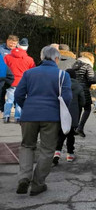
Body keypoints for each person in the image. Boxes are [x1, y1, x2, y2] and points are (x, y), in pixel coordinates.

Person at [14, 46, 72, 196]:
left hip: (29, 116)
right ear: (57, 59)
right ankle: (38, 184)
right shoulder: (62, 75)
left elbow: (19, 95)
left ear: (41, 57)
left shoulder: (29, 73)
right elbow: (67, 98)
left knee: (27, 146)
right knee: (47, 150)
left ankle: (24, 177)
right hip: (51, 117)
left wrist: (27, 107)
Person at [53, 69, 85, 165]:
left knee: (60, 134)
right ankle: (70, 154)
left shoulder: (60, 86)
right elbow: (83, 102)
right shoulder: (79, 86)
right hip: (73, 115)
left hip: (61, 113)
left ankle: (57, 153)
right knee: (71, 135)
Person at [4, 38, 36, 123]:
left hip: (11, 82)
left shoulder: (7, 57)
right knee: (20, 100)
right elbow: (32, 72)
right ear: (27, 47)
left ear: (18, 45)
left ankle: (6, 116)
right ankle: (18, 117)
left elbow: (3, 69)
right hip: (22, 82)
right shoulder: (29, 59)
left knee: (9, 100)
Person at [74, 52, 96, 137]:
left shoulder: (75, 64)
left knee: (78, 108)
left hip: (75, 88)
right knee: (87, 108)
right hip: (84, 89)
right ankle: (80, 128)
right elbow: (90, 79)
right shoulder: (87, 66)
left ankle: (74, 127)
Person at [0, 35, 18, 114]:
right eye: (11, 43)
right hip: (3, 75)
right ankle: (2, 110)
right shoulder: (1, 49)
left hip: (14, 75)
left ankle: (16, 112)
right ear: (7, 41)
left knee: (14, 94)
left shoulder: (18, 51)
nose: (12, 45)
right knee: (1, 93)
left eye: (14, 44)